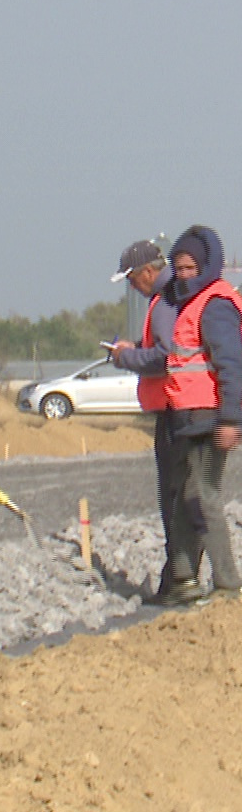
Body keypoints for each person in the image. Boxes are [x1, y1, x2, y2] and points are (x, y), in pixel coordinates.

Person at [150, 225, 242, 604]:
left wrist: (231, 420)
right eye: (179, 268)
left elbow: (232, 366)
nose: (185, 275)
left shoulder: (215, 305)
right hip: (188, 418)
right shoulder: (192, 304)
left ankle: (228, 584)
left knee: (203, 495)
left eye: (191, 268)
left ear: (206, 266)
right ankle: (184, 579)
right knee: (187, 497)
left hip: (210, 418)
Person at [106, 239, 194, 603]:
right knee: (187, 497)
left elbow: (163, 357)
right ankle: (181, 578)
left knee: (175, 499)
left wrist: (126, 357)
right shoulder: (179, 295)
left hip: (178, 409)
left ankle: (178, 582)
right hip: (188, 408)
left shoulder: (165, 302)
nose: (131, 287)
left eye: (131, 278)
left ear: (147, 272)